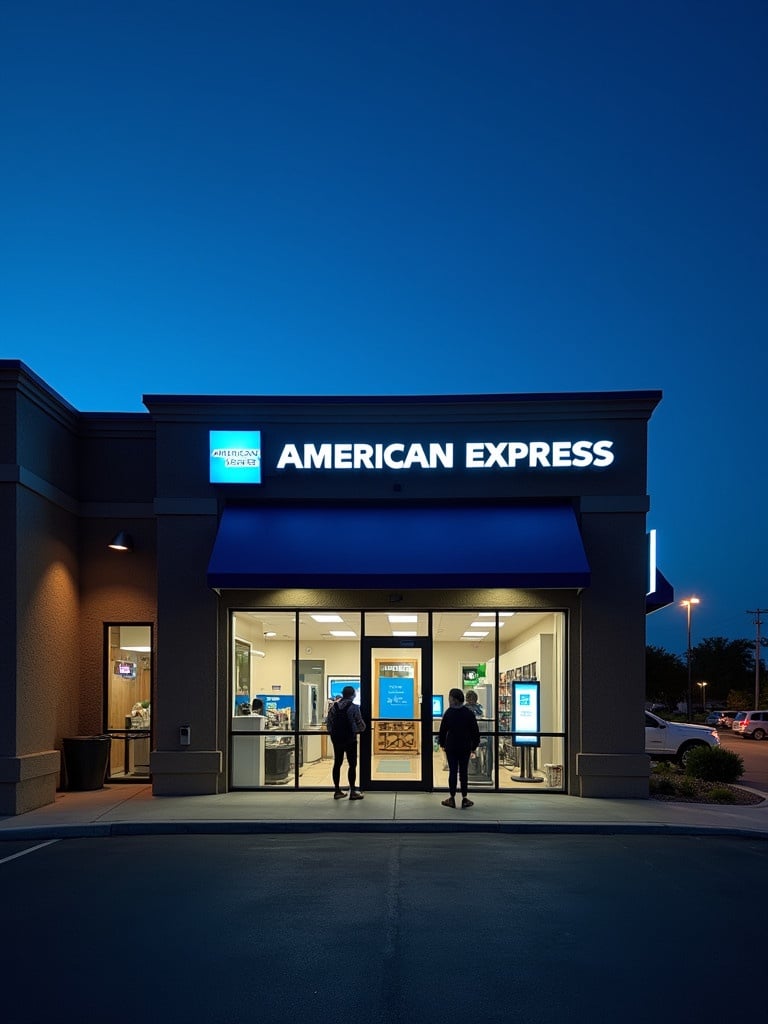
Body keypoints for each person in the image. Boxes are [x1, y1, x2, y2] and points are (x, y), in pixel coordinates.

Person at [438, 688, 480, 808]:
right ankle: (464, 798)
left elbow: (443, 731)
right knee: (463, 772)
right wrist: (474, 746)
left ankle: (451, 798)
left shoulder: (449, 713)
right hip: (465, 747)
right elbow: (475, 732)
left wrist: (442, 743)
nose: (449, 700)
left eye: (450, 698)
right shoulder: (468, 713)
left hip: (451, 747)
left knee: (452, 772)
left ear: (455, 699)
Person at [326, 685, 366, 800]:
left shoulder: (334, 707)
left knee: (337, 763)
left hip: (337, 739)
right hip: (350, 739)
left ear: (343, 694)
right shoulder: (354, 707)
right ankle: (353, 791)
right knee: (352, 764)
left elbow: (329, 724)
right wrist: (361, 729)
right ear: (353, 695)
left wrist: (334, 735)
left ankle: (337, 790)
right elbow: (360, 725)